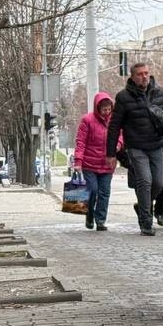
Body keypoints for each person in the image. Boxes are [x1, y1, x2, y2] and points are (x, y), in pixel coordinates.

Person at [106, 62, 163, 236]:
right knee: (145, 181)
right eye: (139, 74)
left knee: (159, 183)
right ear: (132, 77)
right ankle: (146, 222)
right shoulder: (123, 97)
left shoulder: (158, 93)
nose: (144, 76)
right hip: (136, 147)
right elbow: (114, 126)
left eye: (146, 73)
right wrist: (110, 153)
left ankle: (142, 205)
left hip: (157, 145)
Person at [73, 92, 116, 232]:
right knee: (92, 190)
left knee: (104, 193)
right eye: (104, 109)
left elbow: (120, 134)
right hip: (89, 164)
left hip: (107, 164)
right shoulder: (87, 120)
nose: (107, 112)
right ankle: (89, 214)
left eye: (109, 109)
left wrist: (119, 144)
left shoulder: (114, 120)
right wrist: (78, 161)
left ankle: (100, 220)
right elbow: (80, 142)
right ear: (98, 108)